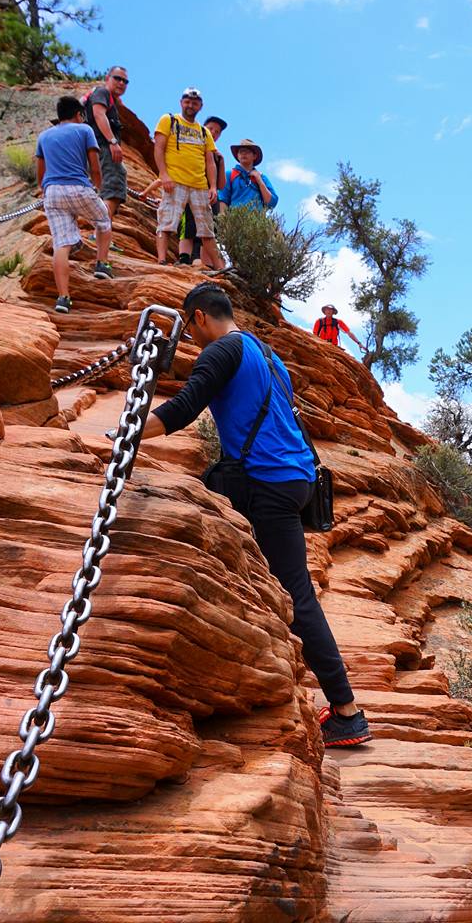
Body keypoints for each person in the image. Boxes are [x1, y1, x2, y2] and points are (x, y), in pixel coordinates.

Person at [142, 283, 372, 748]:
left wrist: (125, 433)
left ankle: (346, 711)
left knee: (296, 594)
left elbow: (185, 407)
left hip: (267, 482)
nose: (188, 334)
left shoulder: (220, 352)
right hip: (293, 478)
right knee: (231, 545)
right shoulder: (265, 352)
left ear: (201, 317)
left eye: (188, 325)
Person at [35, 95, 114, 314]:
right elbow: (95, 166)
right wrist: (97, 187)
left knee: (62, 244)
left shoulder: (44, 136)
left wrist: (45, 190)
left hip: (52, 192)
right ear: (79, 114)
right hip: (78, 187)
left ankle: (63, 298)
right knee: (103, 218)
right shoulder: (85, 130)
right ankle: (102, 264)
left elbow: (40, 172)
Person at [153, 87, 224, 270]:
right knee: (167, 222)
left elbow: (209, 161)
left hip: (199, 185)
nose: (190, 105)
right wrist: (164, 174)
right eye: (187, 101)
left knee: (207, 229)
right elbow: (159, 148)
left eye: (195, 102)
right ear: (181, 102)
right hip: (175, 181)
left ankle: (218, 267)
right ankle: (161, 261)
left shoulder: (203, 132)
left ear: (200, 106)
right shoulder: (169, 120)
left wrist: (213, 186)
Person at [178, 114, 227, 265]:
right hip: (191, 192)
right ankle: (186, 259)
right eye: (211, 128)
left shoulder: (216, 156)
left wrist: (222, 161)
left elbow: (221, 185)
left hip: (210, 196)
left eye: (217, 132)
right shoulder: (192, 147)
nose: (213, 133)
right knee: (189, 227)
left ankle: (204, 263)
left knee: (208, 230)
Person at [84, 65, 129, 220]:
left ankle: (101, 233)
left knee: (103, 190)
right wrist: (113, 141)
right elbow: (98, 114)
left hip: (94, 150)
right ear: (107, 78)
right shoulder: (102, 92)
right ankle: (101, 234)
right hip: (103, 148)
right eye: (117, 78)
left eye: (125, 81)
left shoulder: (105, 97)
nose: (122, 83)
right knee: (113, 190)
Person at [217, 139, 278, 212]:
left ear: (254, 156)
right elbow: (223, 200)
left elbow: (271, 203)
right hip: (235, 221)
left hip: (257, 222)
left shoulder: (262, 178)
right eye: (241, 152)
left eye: (247, 152)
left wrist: (259, 180)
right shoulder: (229, 175)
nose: (243, 154)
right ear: (238, 156)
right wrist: (224, 222)